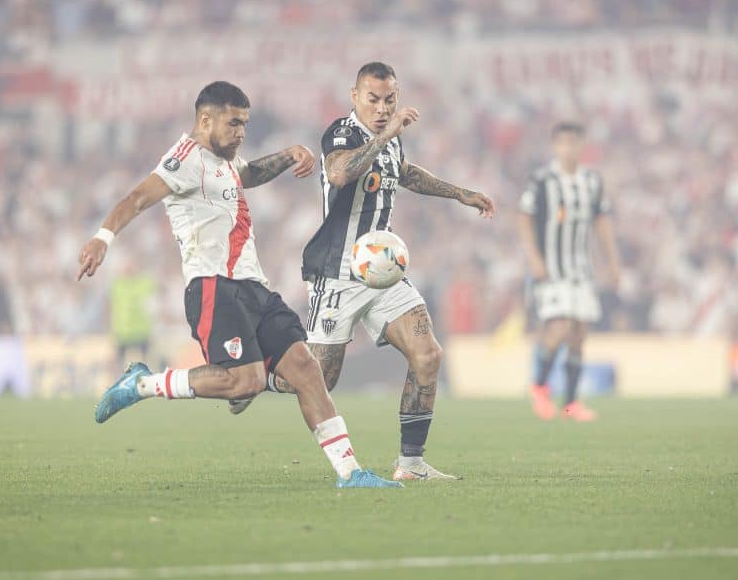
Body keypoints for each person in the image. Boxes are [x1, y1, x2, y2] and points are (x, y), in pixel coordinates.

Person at [76, 81, 401, 489]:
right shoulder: (185, 159)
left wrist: (287, 156)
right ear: (205, 119)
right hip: (214, 286)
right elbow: (136, 198)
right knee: (243, 382)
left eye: (245, 124)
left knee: (306, 368)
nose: (241, 132)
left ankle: (351, 474)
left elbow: (246, 174)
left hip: (254, 286)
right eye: (234, 123)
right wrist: (102, 239)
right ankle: (142, 384)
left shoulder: (224, 159)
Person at [228, 62, 495, 482]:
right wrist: (385, 134)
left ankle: (410, 465)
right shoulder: (341, 133)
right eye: (373, 99)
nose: (383, 108)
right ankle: (252, 378)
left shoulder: (391, 142)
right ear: (355, 97)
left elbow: (404, 173)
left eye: (390, 99)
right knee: (319, 378)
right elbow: (338, 173)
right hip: (338, 273)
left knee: (428, 356)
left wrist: (459, 193)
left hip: (384, 273)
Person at [517, 122, 621, 421]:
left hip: (581, 269)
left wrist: (612, 261)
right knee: (559, 326)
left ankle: (571, 402)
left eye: (573, 143)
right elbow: (524, 218)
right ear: (554, 146)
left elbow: (601, 222)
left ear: (582, 145)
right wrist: (534, 258)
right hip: (551, 269)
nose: (568, 148)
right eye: (562, 143)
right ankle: (539, 386)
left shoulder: (591, 180)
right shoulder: (542, 179)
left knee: (579, 333)